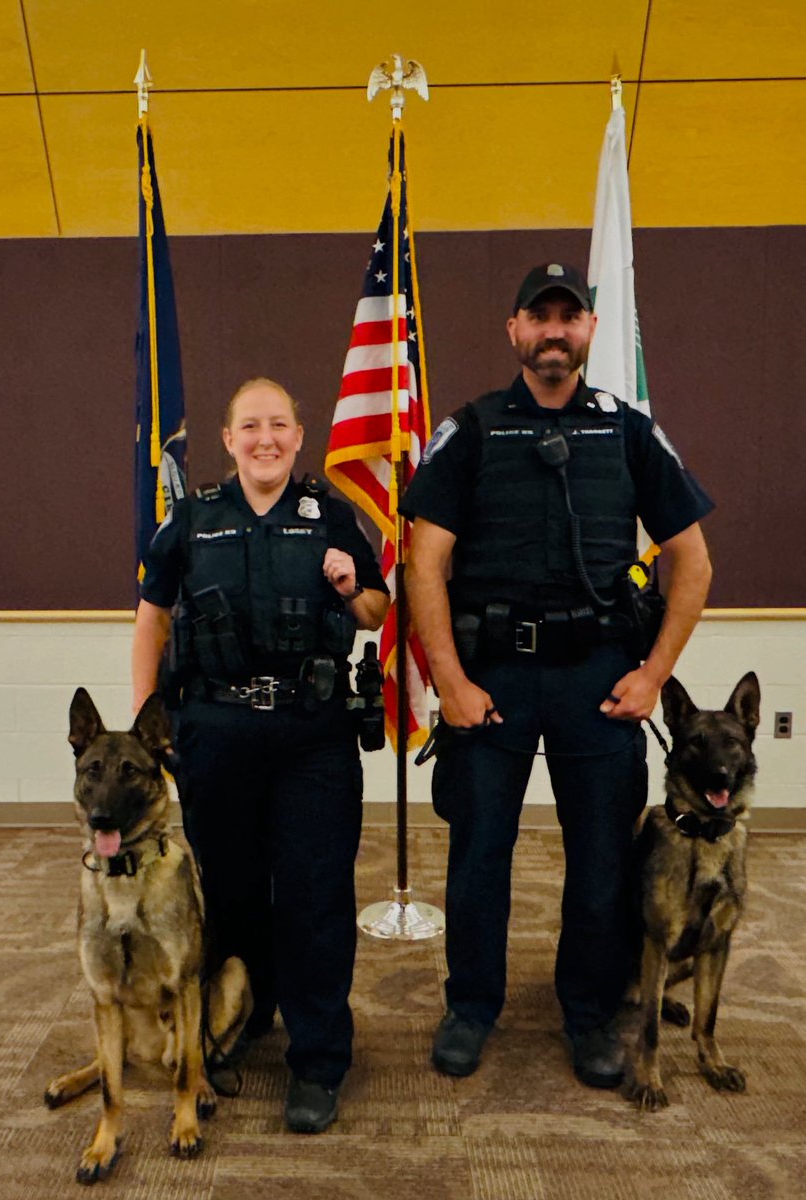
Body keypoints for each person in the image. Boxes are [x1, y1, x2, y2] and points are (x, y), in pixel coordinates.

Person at [401, 263, 714, 1088]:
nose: (552, 329)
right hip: (492, 680)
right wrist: (449, 680)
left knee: (604, 860)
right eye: (537, 315)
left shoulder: (628, 430)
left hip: (598, 679)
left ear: (588, 331)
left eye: (567, 316)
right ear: (512, 331)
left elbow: (692, 560)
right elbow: (421, 565)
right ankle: (470, 1007)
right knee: (478, 857)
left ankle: (588, 1012)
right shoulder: (467, 430)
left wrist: (653, 675)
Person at [132, 378, 389, 1134]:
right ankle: (241, 1021)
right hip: (216, 733)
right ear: (228, 438)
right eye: (250, 426)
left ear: (299, 436)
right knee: (233, 892)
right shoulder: (192, 519)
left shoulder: (330, 516)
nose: (265, 438)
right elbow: (150, 624)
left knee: (313, 896)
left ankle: (317, 1061)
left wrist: (350, 587)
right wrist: (147, 732)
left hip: (312, 735)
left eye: (279, 424)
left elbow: (375, 612)